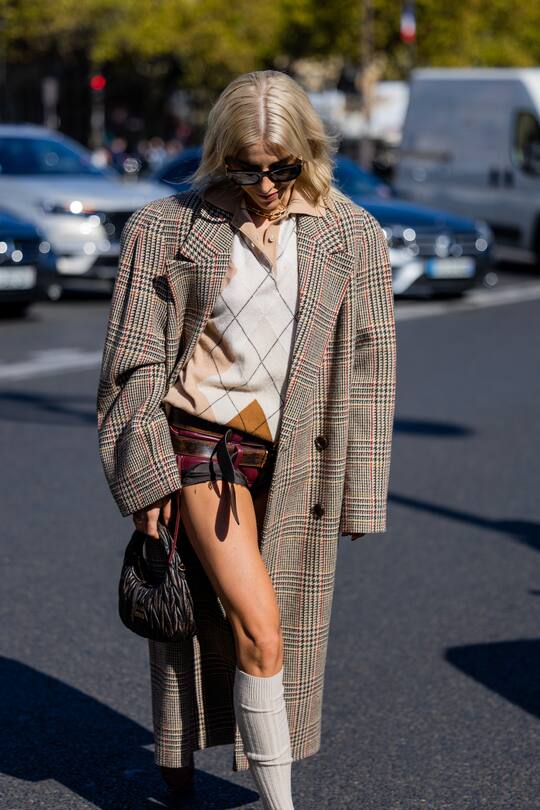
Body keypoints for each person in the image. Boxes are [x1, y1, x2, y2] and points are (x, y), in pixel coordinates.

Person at [96, 69, 396, 809]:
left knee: (249, 626)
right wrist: (146, 474)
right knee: (264, 630)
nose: (264, 184)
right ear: (220, 155)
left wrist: (360, 491)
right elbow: (131, 363)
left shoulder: (351, 234)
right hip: (204, 446)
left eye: (281, 167)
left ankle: (179, 762)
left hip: (298, 456)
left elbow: (369, 365)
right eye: (245, 166)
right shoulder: (165, 228)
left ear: (309, 153)